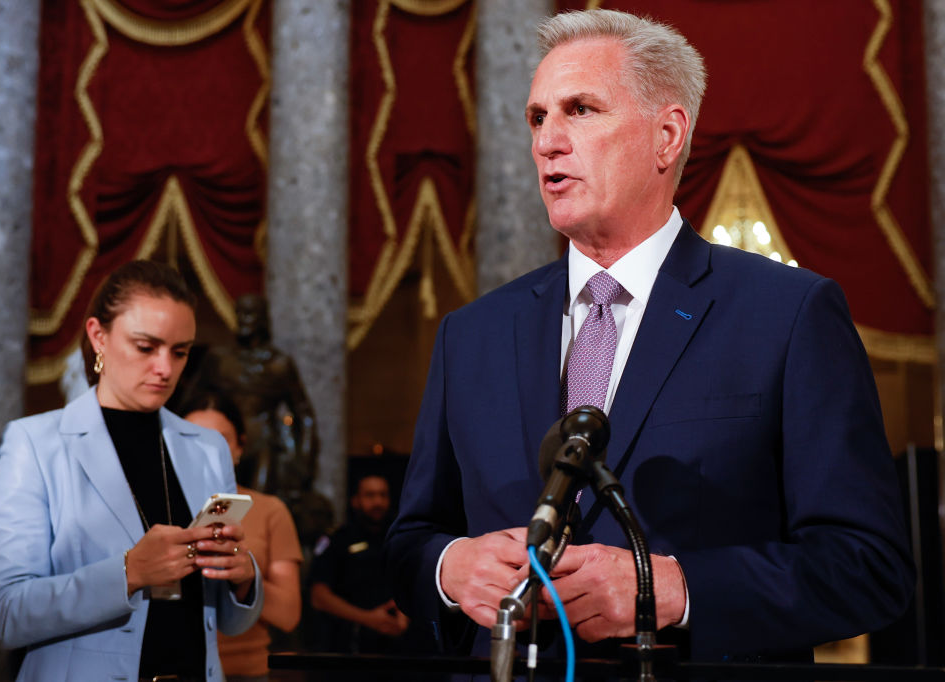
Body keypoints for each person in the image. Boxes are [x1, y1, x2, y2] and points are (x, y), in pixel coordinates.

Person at [386, 8, 914, 666]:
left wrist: (678, 589)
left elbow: (868, 567)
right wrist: (449, 566)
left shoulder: (789, 314)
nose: (547, 140)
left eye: (580, 109)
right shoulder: (472, 335)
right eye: (537, 116)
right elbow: (410, 542)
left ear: (668, 136)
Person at [0, 260, 263, 681]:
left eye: (180, 351)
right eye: (146, 347)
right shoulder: (36, 444)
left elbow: (224, 621)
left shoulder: (206, 448)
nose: (165, 368)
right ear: (99, 336)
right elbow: (4, 615)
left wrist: (242, 579)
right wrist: (128, 573)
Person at [186, 293, 331, 546]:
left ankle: (254, 565)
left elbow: (304, 415)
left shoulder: (279, 364)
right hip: (222, 442)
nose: (243, 320)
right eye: (240, 313)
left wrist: (302, 465)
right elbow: (190, 402)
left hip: (262, 444)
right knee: (210, 507)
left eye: (250, 314)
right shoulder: (220, 360)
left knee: (258, 513)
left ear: (263, 319)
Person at [183, 391, 303, 682]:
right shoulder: (156, 506)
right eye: (192, 439)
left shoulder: (269, 510)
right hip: (175, 667)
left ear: (240, 447)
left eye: (220, 440)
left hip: (246, 671)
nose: (207, 451)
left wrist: (246, 579)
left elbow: (289, 614)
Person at [309, 474, 409, 655]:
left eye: (383, 495)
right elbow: (319, 596)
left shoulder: (401, 537)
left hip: (399, 646)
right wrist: (368, 619)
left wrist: (406, 610)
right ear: (355, 500)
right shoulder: (338, 539)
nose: (377, 502)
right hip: (348, 646)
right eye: (370, 495)